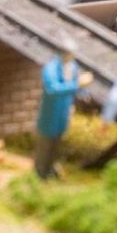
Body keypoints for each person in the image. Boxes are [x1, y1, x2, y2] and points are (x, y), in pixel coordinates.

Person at [34, 37, 93, 179]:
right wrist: (77, 85)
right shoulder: (51, 68)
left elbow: (76, 83)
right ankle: (40, 172)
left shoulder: (72, 67)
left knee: (57, 141)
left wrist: (83, 91)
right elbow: (52, 89)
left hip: (64, 109)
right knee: (46, 142)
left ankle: (51, 168)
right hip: (51, 111)